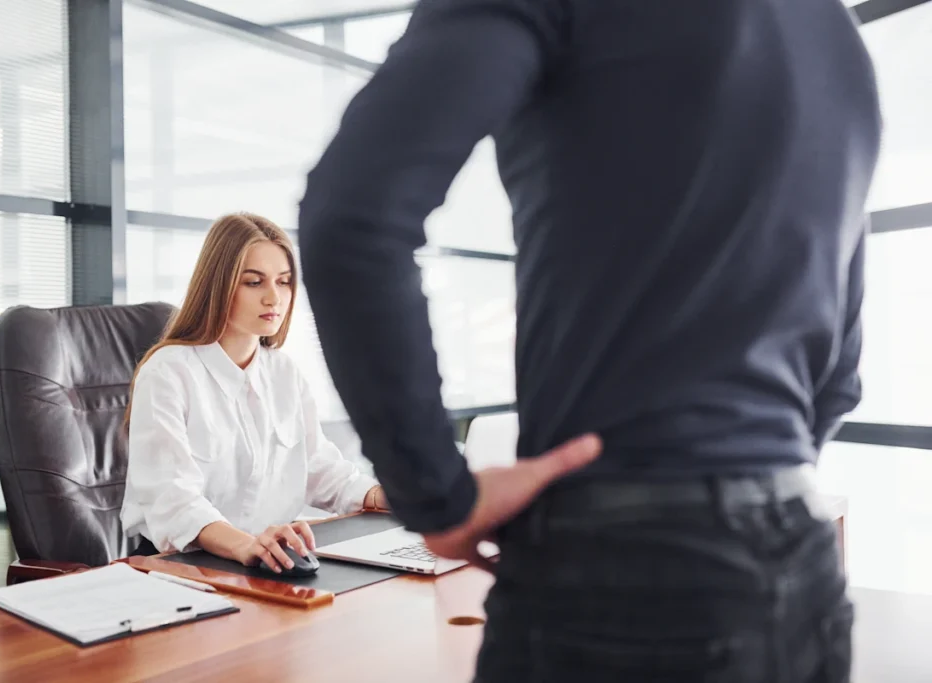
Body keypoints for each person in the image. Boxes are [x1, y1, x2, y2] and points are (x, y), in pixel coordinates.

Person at [297, 0, 881, 680]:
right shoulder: (833, 33)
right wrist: (740, 482)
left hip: (619, 575)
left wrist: (435, 494)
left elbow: (354, 219)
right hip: (802, 577)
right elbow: (838, 374)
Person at [120, 213, 388, 574]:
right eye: (254, 282)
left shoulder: (284, 373)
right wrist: (247, 545)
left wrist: (382, 497)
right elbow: (173, 501)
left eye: (284, 282)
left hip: (269, 563)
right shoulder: (168, 372)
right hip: (186, 568)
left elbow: (321, 469)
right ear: (219, 285)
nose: (274, 298)